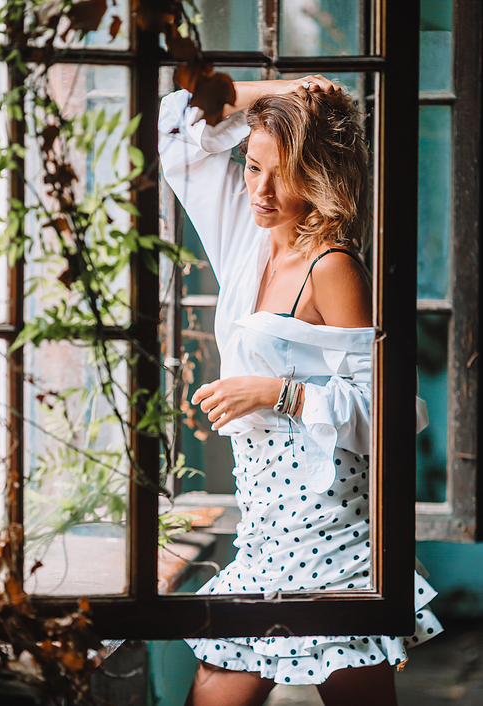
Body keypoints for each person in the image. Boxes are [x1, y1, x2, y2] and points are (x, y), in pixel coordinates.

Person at [158, 75, 442, 706]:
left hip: (327, 529)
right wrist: (286, 93)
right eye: (252, 166)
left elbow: (391, 414)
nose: (260, 190)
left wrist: (277, 393)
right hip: (263, 526)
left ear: (317, 177)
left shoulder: (333, 266)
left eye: (281, 175)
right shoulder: (246, 236)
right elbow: (172, 133)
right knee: (215, 687)